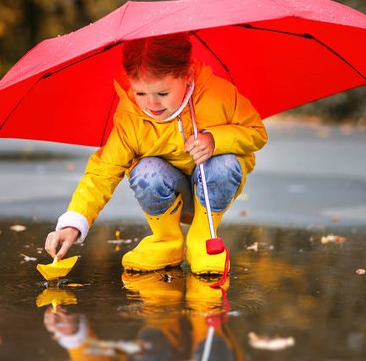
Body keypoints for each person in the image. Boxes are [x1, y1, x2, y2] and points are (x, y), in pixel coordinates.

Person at [44, 32, 267, 274]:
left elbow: (256, 133)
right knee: (145, 171)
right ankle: (166, 241)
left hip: (212, 184)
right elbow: (102, 173)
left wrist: (215, 140)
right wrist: (73, 224)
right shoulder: (131, 118)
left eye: (162, 94)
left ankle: (203, 238)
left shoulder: (218, 94)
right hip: (167, 190)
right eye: (141, 93)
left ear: (188, 74)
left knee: (225, 164)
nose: (151, 104)